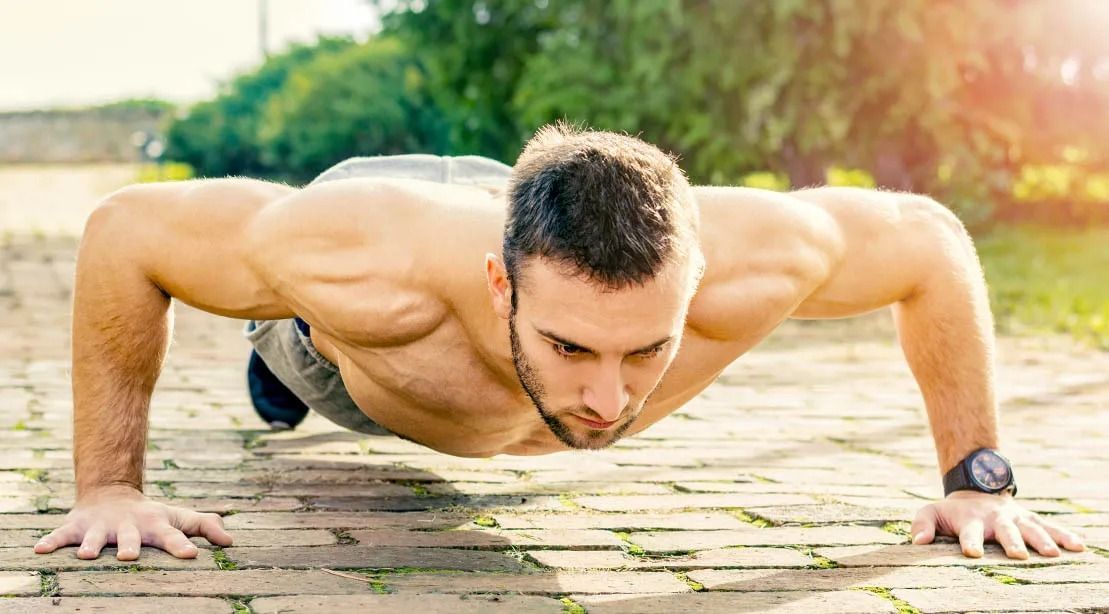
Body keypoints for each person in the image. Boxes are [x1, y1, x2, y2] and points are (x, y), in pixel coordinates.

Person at [34, 123, 1085, 563]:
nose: (609, 396)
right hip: (350, 342)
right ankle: (277, 368)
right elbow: (126, 232)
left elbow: (931, 246)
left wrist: (978, 477)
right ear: (503, 284)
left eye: (646, 349)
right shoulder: (361, 261)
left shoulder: (763, 259)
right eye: (573, 347)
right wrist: (109, 484)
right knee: (289, 334)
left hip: (503, 222)